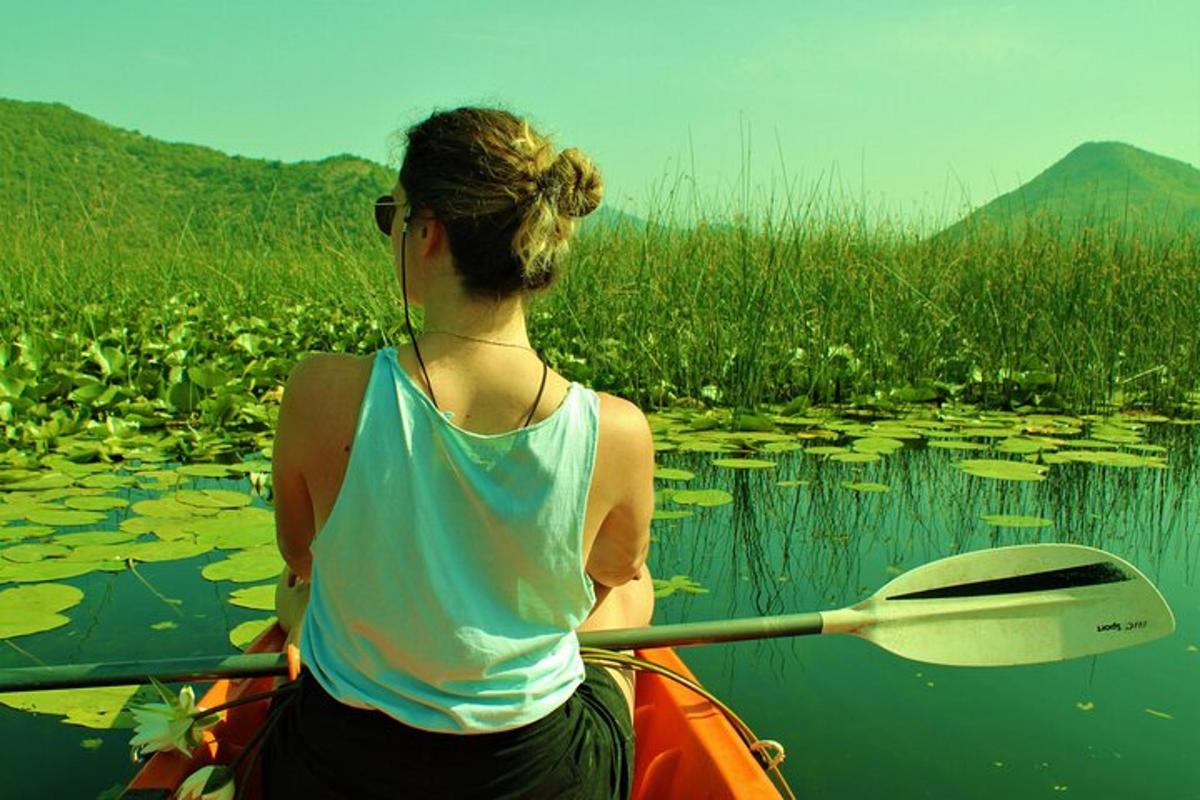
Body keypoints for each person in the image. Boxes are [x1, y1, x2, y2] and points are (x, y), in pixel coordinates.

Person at [261, 107, 655, 800]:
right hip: (538, 781)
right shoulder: (616, 431)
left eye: (393, 216)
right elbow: (613, 571)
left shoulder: (320, 391)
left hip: (336, 773)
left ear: (429, 232)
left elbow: (302, 556)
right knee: (632, 584)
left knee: (297, 592)